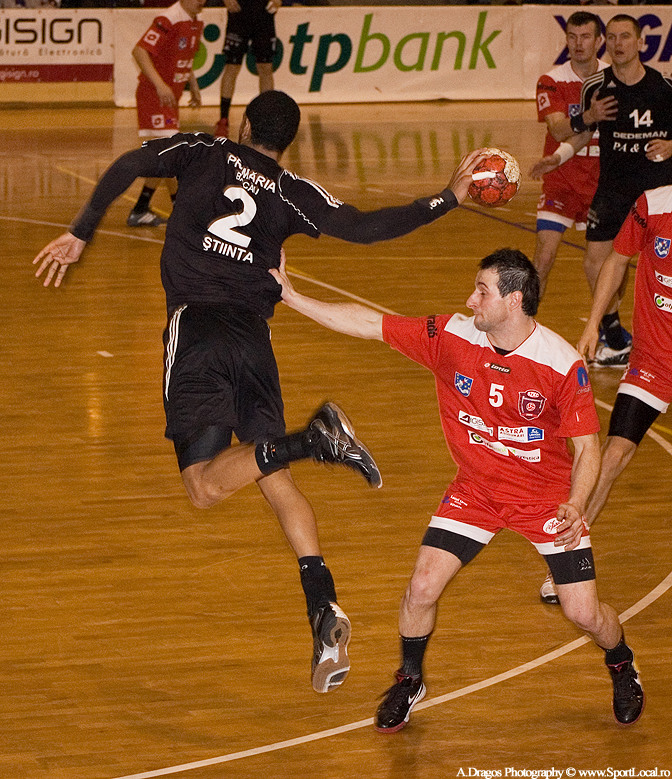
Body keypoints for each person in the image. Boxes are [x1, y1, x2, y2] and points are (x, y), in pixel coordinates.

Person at [33, 90, 486, 695]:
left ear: (245, 124)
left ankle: (313, 440)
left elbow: (130, 164)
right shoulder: (292, 191)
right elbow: (366, 227)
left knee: (203, 487)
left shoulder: (204, 150)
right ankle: (323, 607)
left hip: (197, 330)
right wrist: (448, 197)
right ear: (287, 141)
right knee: (270, 475)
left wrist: (82, 230)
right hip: (254, 343)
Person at [270, 246, 644, 731]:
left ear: (513, 300)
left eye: (482, 291)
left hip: (546, 503)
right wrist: (293, 297)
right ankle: (410, 679)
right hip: (477, 492)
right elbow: (370, 323)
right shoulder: (451, 336)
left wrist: (575, 503)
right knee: (421, 587)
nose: (470, 300)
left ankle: (621, 662)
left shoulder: (560, 364)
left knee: (584, 614)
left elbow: (588, 449)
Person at [531, 14, 672, 368]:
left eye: (625, 37)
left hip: (656, 193)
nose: (618, 43)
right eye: (613, 37)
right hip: (612, 189)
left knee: (658, 267)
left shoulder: (663, 87)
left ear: (641, 43)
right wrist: (557, 157)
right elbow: (582, 132)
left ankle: (644, 337)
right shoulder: (596, 86)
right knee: (595, 261)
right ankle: (609, 332)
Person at [576, 185, 672, 530]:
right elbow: (616, 260)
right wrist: (594, 324)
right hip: (654, 358)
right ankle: (572, 546)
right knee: (615, 453)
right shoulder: (654, 204)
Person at [533, 11, 607, 298]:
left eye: (585, 37)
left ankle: (608, 322)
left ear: (598, 41)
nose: (578, 44)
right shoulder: (552, 80)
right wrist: (589, 115)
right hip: (561, 179)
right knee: (544, 256)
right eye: (572, 37)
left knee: (604, 265)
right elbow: (558, 130)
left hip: (603, 184)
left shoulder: (612, 79)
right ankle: (524, 322)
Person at [128, 0, 207, 227]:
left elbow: (183, 56)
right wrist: (161, 85)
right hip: (154, 96)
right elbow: (139, 51)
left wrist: (193, 84)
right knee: (172, 153)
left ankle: (141, 208)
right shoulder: (169, 18)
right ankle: (180, 211)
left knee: (165, 156)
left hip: (171, 98)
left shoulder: (196, 20)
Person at [208, 0, 289, 138]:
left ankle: (267, 119)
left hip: (264, 17)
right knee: (232, 66)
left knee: (265, 67)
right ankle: (223, 119)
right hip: (238, 16)